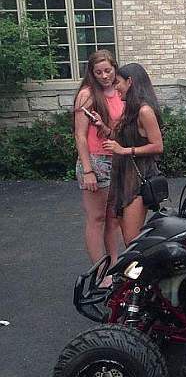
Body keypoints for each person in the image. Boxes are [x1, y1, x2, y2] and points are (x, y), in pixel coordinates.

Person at [103, 63, 164, 244]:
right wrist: (103, 128)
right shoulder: (130, 109)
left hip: (138, 179)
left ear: (130, 82)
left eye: (118, 82)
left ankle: (151, 263)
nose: (115, 87)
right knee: (127, 238)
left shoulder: (145, 111)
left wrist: (124, 151)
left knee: (132, 240)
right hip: (123, 176)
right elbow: (124, 139)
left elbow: (158, 146)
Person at [73, 50, 123, 266]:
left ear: (115, 68)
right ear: (91, 73)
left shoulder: (120, 90)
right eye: (98, 72)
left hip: (118, 160)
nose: (104, 76)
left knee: (113, 219)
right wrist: (88, 170)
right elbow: (80, 135)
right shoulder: (87, 94)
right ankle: (100, 271)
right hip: (96, 161)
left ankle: (113, 266)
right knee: (97, 218)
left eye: (108, 70)